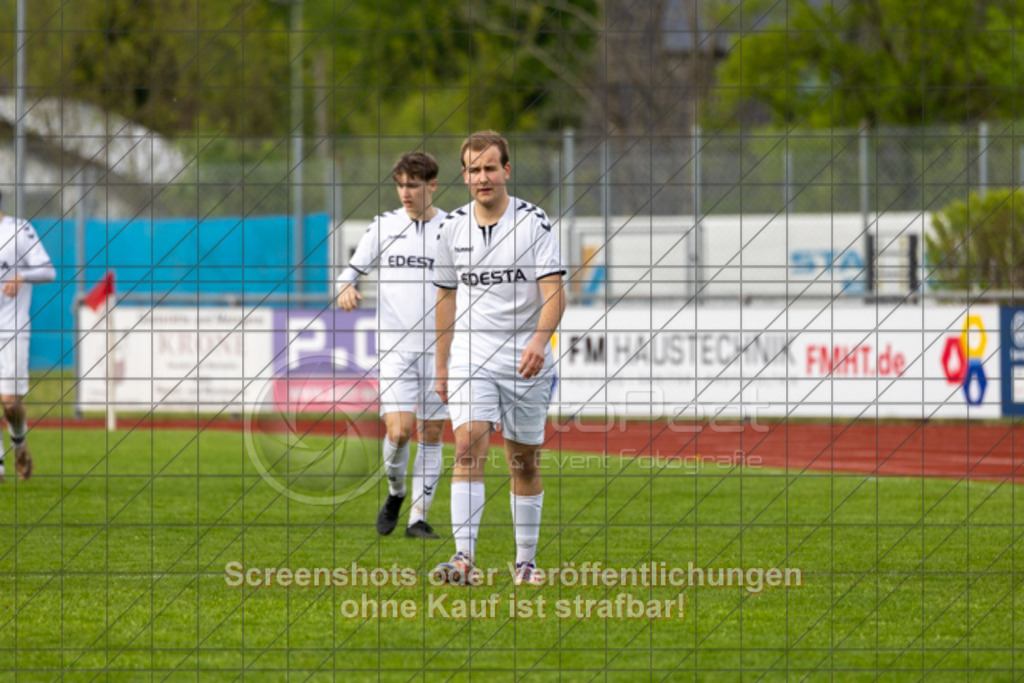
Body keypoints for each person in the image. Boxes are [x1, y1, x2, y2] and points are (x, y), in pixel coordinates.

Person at [432, 130, 566, 586]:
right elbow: (445, 298)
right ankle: (462, 558)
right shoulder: (450, 227)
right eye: (473, 169)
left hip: (526, 359)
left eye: (490, 167)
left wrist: (539, 341)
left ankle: (525, 563)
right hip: (472, 356)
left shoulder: (534, 222)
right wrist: (442, 364)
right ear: (464, 176)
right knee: (468, 446)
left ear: (506, 170)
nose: (482, 177)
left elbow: (555, 295)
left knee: (523, 463)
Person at [336, 151, 448, 539]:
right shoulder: (384, 227)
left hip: (442, 350)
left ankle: (419, 518)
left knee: (431, 434)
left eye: (412, 185)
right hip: (396, 348)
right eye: (400, 185)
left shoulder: (454, 229)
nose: (405, 192)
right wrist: (346, 289)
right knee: (400, 432)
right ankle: (396, 492)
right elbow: (347, 274)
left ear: (431, 185)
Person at [0, 192, 56, 483]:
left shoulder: (18, 230)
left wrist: (22, 276)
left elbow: (49, 271)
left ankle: (19, 442)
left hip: (12, 328)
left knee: (10, 403)